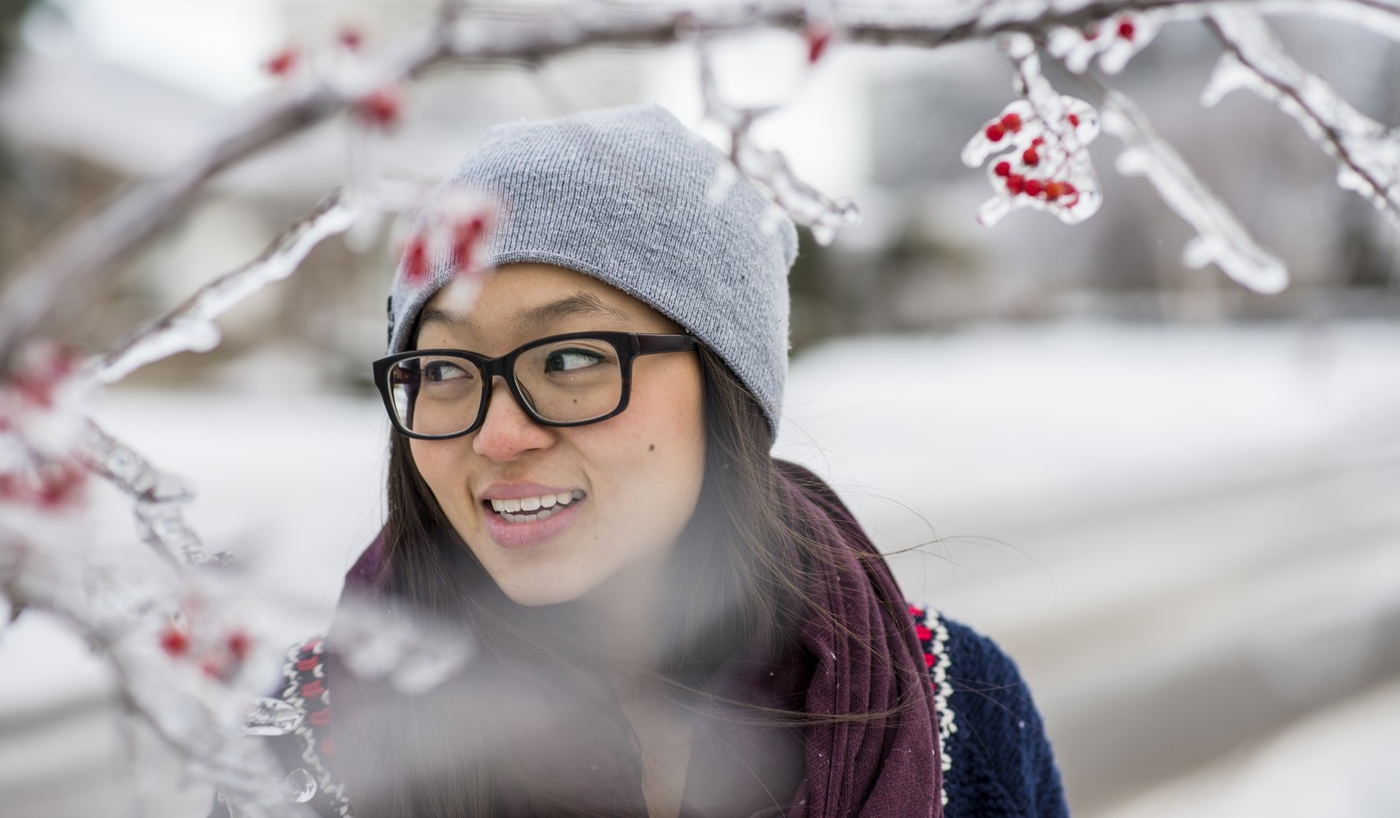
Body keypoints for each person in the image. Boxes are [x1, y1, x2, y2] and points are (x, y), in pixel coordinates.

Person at [216, 105, 1068, 817]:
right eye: (441, 370)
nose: (498, 437)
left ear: (724, 381)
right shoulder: (308, 739)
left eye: (572, 359)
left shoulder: (962, 706)